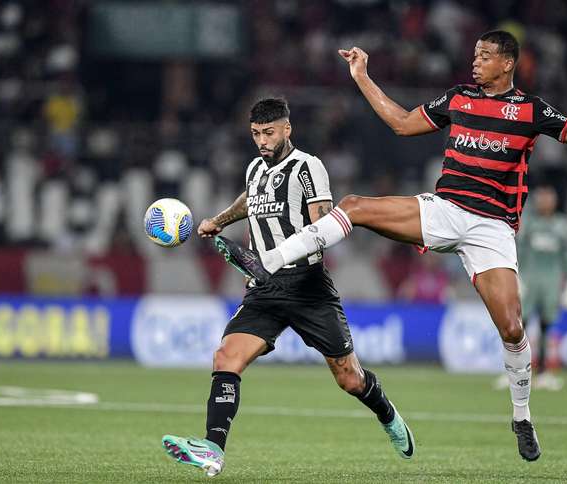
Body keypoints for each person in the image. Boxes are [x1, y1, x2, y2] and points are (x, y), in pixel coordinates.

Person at [214, 31, 567, 462]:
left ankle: (522, 416)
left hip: (492, 227)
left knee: (513, 328)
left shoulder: (532, 111)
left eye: (485, 56)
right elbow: (400, 123)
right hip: (444, 209)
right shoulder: (459, 98)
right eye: (474, 54)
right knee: (354, 204)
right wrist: (362, 77)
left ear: (508, 63)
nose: (475, 61)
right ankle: (271, 259)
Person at [162, 98, 414, 477]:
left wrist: (280, 254)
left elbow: (324, 227)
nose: (262, 141)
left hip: (308, 286)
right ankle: (213, 448)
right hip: (263, 288)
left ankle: (388, 414)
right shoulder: (254, 169)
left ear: (286, 129)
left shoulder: (308, 167)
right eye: (255, 134)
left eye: (268, 133)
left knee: (349, 378)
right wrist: (219, 220)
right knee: (226, 357)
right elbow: (251, 200)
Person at [516, 186, 567, 391]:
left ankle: (542, 371)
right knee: (519, 325)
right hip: (529, 278)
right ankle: (515, 371)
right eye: (542, 198)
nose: (545, 202)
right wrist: (515, 276)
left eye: (549, 198)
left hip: (551, 280)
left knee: (545, 324)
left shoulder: (562, 225)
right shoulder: (529, 223)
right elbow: (519, 250)